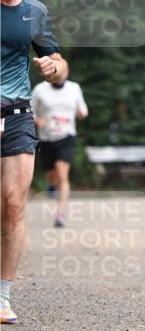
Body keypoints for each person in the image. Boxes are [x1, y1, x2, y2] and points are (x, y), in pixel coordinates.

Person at [1, 0, 68, 324]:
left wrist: (52, 68)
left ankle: (2, 296)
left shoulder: (35, 12)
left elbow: (59, 63)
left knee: (13, 204)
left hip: (18, 115)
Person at [32, 72, 88, 227]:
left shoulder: (74, 88)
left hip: (66, 137)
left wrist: (82, 113)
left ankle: (60, 215)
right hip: (46, 138)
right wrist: (38, 121)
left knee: (62, 175)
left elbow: (83, 110)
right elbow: (30, 110)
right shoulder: (40, 89)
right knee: (52, 176)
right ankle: (51, 184)